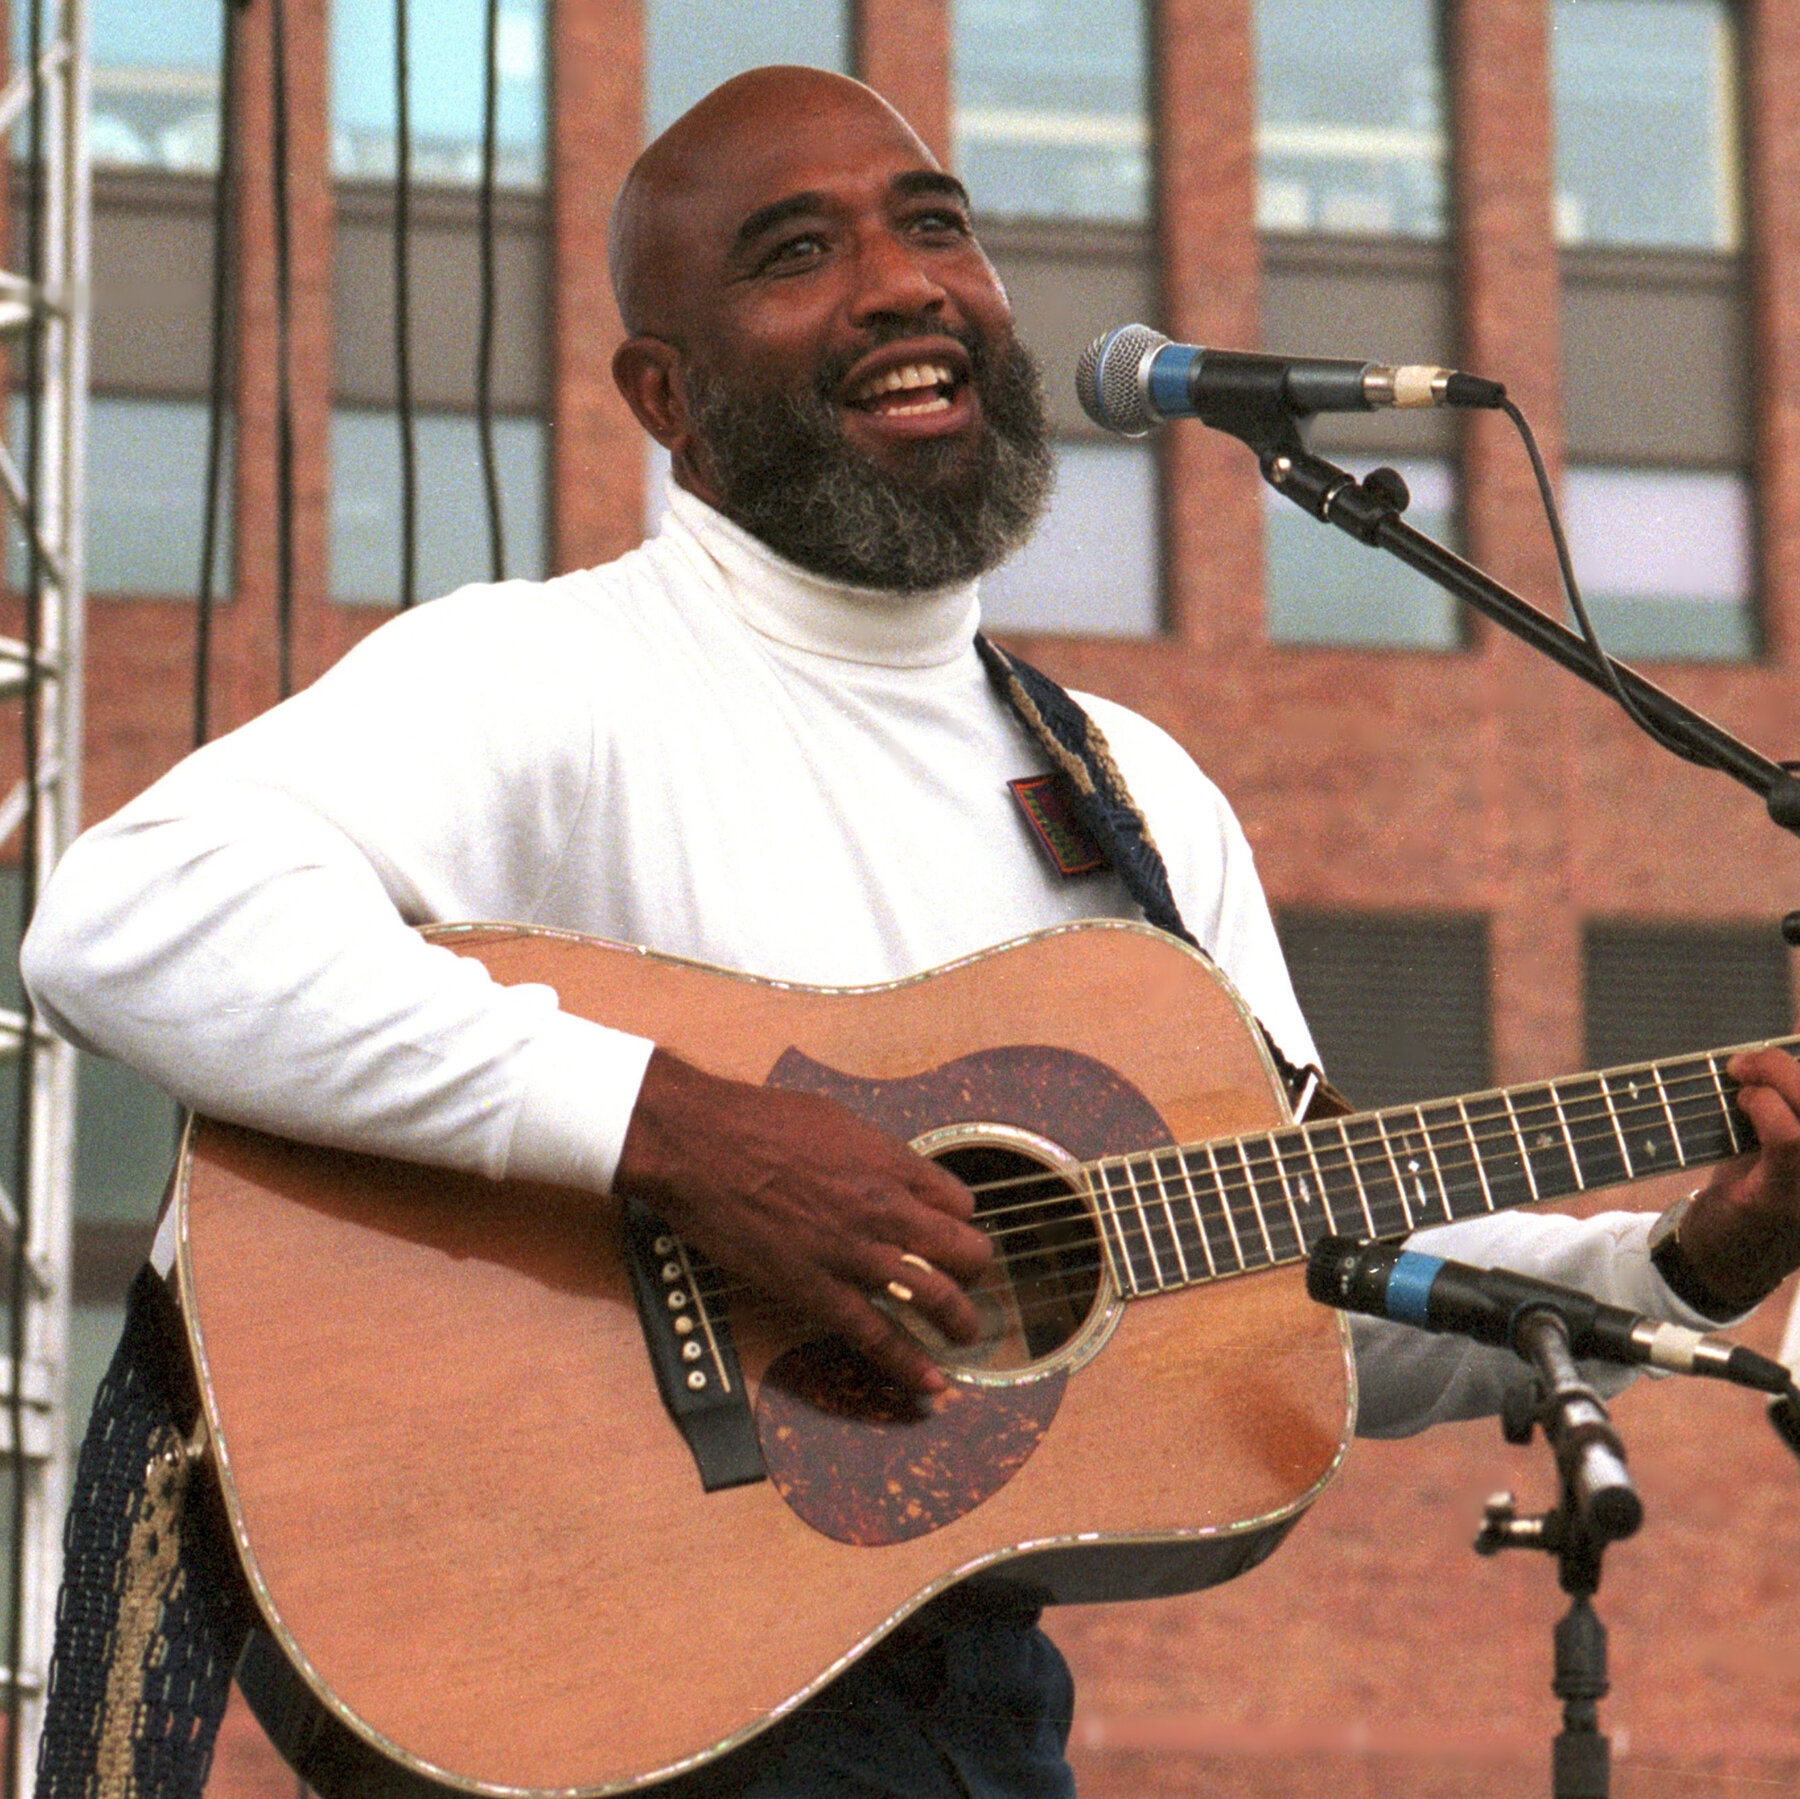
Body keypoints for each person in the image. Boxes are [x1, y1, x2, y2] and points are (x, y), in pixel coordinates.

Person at [22, 65, 1800, 1799]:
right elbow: (127, 917)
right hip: (597, 1625)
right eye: (798, 252)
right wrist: (681, 1137)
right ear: (666, 394)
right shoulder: (549, 675)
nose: (900, 284)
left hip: (944, 1687)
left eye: (934, 225)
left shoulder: (1137, 795)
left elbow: (1297, 1288)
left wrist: (1683, 1263)